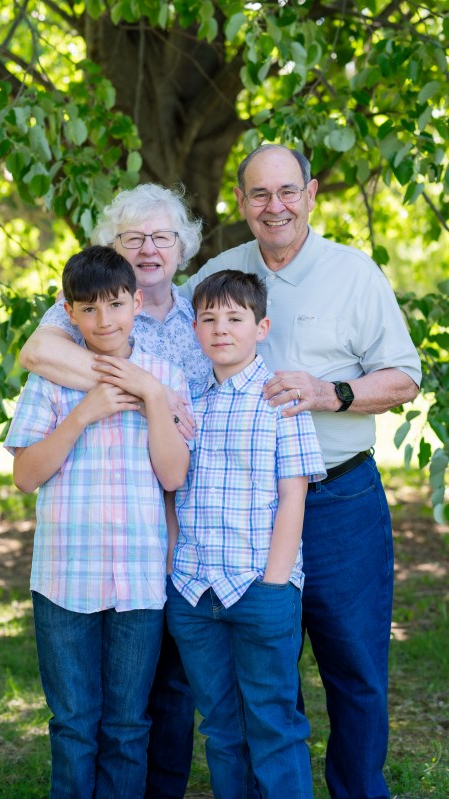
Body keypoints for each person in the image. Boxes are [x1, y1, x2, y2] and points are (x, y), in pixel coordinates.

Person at [177, 144, 422, 799]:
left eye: (288, 190)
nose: (275, 206)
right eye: (259, 194)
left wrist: (327, 392)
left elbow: (405, 377)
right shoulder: (220, 272)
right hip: (242, 512)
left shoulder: (353, 272)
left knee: (354, 665)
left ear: (311, 194)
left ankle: (357, 790)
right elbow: (148, 323)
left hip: (338, 500)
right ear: (241, 201)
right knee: (263, 674)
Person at [19, 184, 208, 798]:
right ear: (70, 311)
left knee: (133, 722)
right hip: (66, 572)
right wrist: (87, 410)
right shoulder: (58, 363)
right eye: (135, 238)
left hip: (145, 566)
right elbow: (25, 473)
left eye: (161, 237)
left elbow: (174, 474)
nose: (105, 319)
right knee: (75, 723)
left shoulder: (180, 348)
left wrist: (152, 393)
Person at [166, 270, 326, 799]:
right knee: (220, 726)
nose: (220, 329)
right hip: (195, 592)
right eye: (208, 319)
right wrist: (173, 565)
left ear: (261, 327)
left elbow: (293, 496)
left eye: (235, 318)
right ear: (194, 328)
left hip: (260, 587)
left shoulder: (280, 399)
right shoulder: (187, 401)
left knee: (273, 724)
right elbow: (172, 489)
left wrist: (275, 585)